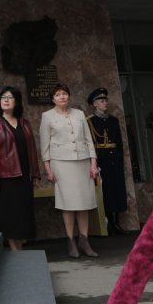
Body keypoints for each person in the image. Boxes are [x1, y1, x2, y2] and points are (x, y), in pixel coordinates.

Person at [39, 83, 99, 259]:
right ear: (53, 99)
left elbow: (89, 140)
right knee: (68, 203)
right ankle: (70, 240)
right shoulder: (47, 116)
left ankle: (84, 240)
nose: (62, 97)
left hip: (83, 161)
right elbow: (45, 145)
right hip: (61, 163)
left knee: (84, 202)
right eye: (58, 94)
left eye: (64, 93)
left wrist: (93, 163)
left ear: (69, 96)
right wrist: (48, 169)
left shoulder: (79, 114)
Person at [0, 86, 40, 250]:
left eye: (9, 97)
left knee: (23, 214)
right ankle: (16, 251)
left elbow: (32, 149)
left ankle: (19, 248)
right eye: (3, 97)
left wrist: (35, 173)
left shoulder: (25, 122)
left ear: (17, 101)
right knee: (10, 215)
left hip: (24, 175)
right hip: (6, 176)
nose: (6, 100)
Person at [86, 87, 129, 236]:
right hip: (101, 159)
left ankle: (116, 223)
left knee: (117, 189)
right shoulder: (90, 121)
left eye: (106, 100)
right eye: (102, 101)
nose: (105, 103)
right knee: (106, 191)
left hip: (114, 159)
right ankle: (108, 223)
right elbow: (90, 143)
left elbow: (118, 142)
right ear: (94, 103)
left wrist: (119, 157)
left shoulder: (113, 120)